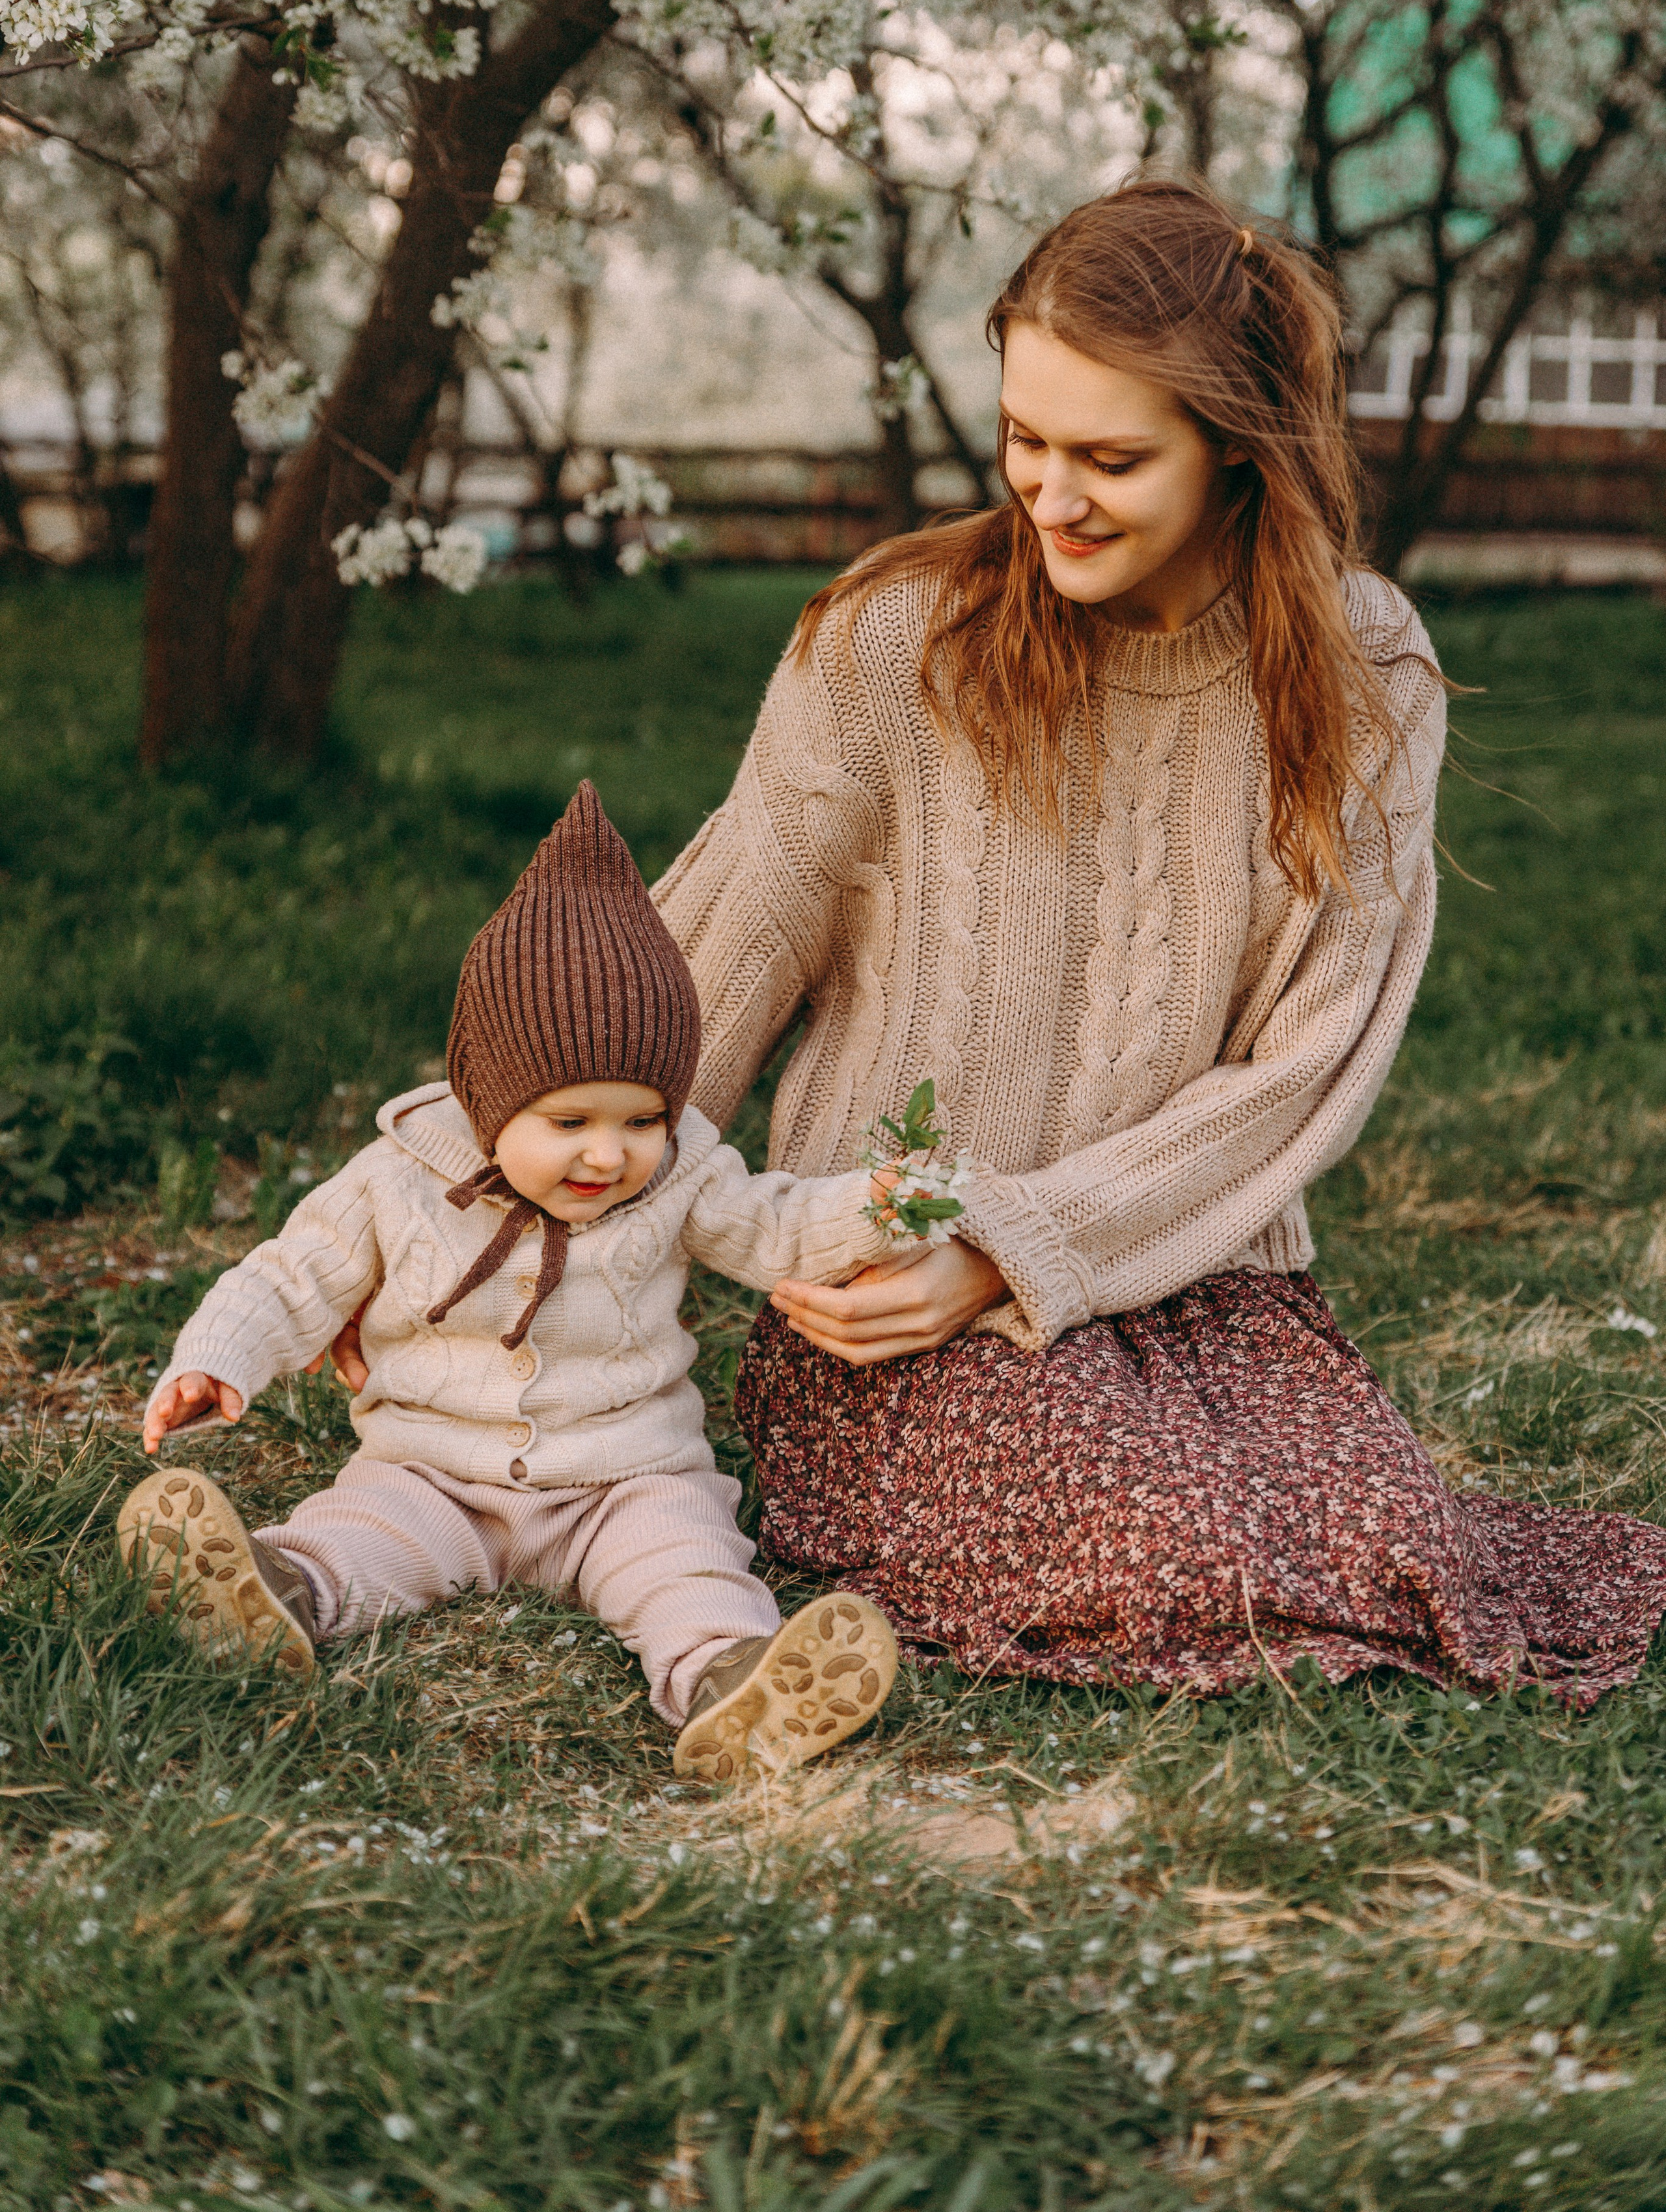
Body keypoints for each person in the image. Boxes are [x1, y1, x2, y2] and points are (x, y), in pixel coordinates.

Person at [644, 180, 1666, 1707]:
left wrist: (1022, 1244)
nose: (1048, 495)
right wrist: (476, 1224)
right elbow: (697, 976)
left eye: (1109, 460)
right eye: (1024, 440)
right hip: (890, 1291)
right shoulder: (890, 643)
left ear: (1236, 446)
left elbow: (1305, 1066)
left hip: (1197, 1279)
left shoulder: (1366, 670)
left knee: (1398, 1557)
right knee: (1163, 1553)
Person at [117, 783, 901, 1784]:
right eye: (570, 1123)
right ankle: (275, 1591)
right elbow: (293, 1272)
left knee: (684, 1562)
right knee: (360, 1536)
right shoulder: (401, 1177)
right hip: (432, 1470)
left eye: (642, 1119)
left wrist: (883, 1207)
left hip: (623, 1478)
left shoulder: (684, 1174)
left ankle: (730, 1680)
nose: (609, 1155)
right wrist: (216, 1358)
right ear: (488, 1100)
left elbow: (775, 1226)